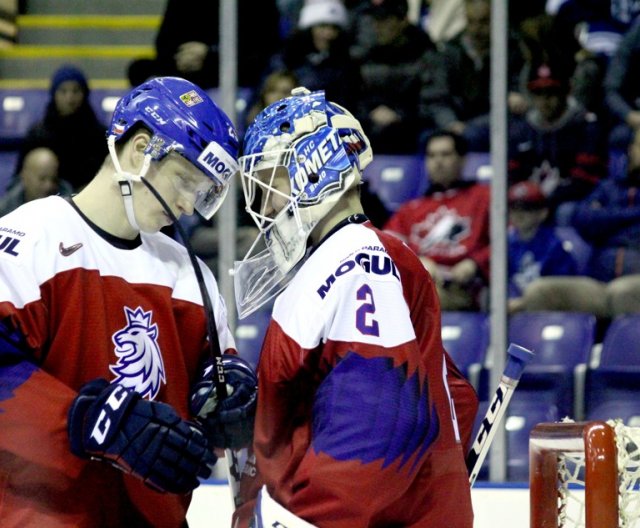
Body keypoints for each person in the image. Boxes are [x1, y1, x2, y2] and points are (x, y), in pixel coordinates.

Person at [0, 77, 257, 526]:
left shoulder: (186, 270)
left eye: (201, 194)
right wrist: (87, 419)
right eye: (184, 181)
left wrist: (230, 389)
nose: (186, 206)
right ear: (140, 148)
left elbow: (217, 365)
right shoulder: (31, 237)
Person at [231, 87, 478, 527]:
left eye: (271, 180)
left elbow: (382, 423)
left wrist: (291, 518)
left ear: (313, 166)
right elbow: (451, 395)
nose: (266, 203)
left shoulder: (352, 261)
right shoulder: (375, 254)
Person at [517, 127, 640, 319]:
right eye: (638, 145)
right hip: (599, 284)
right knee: (539, 291)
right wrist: (633, 216)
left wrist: (608, 221)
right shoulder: (609, 187)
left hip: (633, 284)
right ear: (631, 149)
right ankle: (541, 349)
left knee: (622, 292)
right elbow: (583, 218)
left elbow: (599, 221)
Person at [384, 130, 491, 311]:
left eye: (445, 154)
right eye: (432, 155)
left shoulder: (484, 197)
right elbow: (386, 248)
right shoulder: (411, 208)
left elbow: (508, 241)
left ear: (462, 159)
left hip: (464, 288)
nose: (438, 161)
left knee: (419, 300)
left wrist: (475, 263)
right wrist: (417, 261)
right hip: (421, 283)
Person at [508, 62, 607, 225]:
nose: (545, 100)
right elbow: (512, 175)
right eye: (539, 93)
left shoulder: (586, 126)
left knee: (565, 212)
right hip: (528, 202)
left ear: (566, 92)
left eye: (552, 93)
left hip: (570, 202)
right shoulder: (522, 129)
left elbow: (585, 181)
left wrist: (542, 201)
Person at [126, 0, 281, 90]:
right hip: (186, 71)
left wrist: (210, 55)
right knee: (139, 68)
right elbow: (163, 43)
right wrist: (183, 55)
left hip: (239, 73)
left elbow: (265, 45)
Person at [16, 64, 108, 192]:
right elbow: (19, 178)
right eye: (63, 91)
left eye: (76, 91)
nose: (70, 98)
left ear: (84, 94)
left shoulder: (99, 135)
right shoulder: (37, 134)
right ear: (54, 94)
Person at [271, 0, 361, 109]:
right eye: (322, 26)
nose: (328, 34)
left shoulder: (346, 65)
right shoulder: (287, 59)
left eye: (334, 28)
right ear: (309, 29)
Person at [506, 181, 579, 314]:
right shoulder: (505, 244)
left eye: (527, 208)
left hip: (546, 311)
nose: (519, 214)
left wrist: (523, 303)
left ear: (543, 212)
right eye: (514, 208)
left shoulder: (554, 246)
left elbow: (559, 290)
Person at [0, 146, 73, 217]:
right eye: (42, 179)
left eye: (54, 180)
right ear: (25, 177)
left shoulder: (71, 208)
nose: (48, 186)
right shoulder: (4, 212)